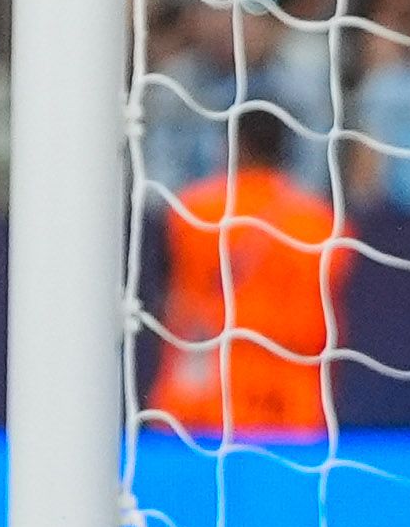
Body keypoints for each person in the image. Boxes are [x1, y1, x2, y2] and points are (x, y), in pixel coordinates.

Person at [145, 103, 349, 438]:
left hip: (207, 396)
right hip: (290, 400)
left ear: (236, 146)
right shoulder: (321, 222)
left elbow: (169, 291)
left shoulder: (193, 209)